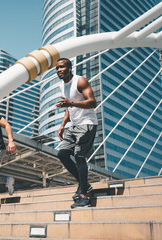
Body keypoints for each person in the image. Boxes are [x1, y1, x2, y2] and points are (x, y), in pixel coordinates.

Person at [55, 58, 98, 208]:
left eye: (62, 67)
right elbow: (68, 107)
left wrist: (71, 103)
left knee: (79, 156)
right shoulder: (62, 85)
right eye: (57, 69)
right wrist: (62, 125)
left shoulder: (80, 81)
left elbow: (92, 102)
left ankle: (84, 196)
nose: (59, 70)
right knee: (62, 154)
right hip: (73, 126)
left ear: (70, 68)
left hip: (87, 123)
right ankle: (85, 185)